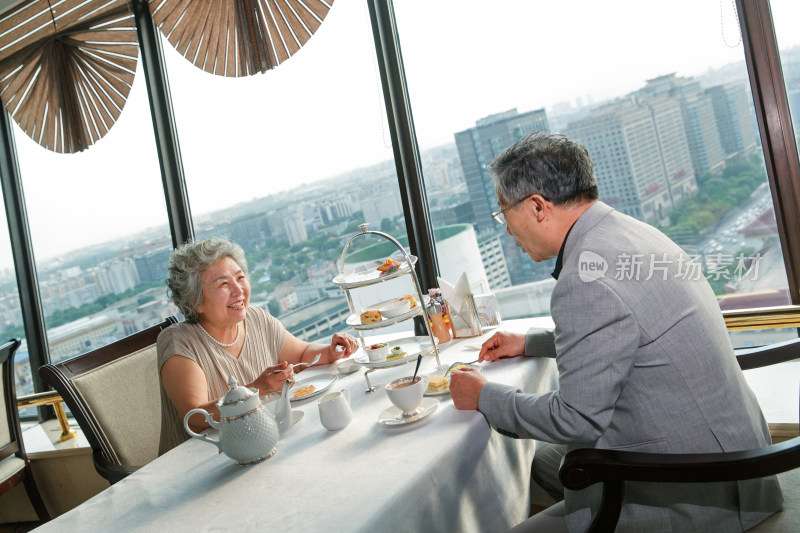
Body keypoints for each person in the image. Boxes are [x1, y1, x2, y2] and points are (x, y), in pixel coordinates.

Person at [448, 131, 782, 532]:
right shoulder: (622, 229)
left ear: (537, 207)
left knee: (550, 463)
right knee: (543, 461)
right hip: (737, 457)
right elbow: (630, 333)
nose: (506, 231)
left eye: (504, 214)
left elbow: (574, 421)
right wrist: (532, 342)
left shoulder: (584, 280)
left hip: (701, 491)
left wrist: (484, 395)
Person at [157, 238, 358, 455]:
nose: (238, 290)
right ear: (194, 302)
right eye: (223, 284)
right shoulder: (179, 342)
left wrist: (329, 351)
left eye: (240, 277)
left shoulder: (256, 318)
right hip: (201, 460)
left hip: (259, 441)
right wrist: (257, 389)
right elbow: (195, 418)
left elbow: (301, 354)